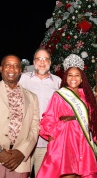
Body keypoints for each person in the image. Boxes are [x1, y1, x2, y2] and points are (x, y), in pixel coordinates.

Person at [36, 54, 97, 178]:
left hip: (84, 141)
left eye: (77, 75)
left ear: (82, 78)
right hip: (65, 140)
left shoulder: (87, 96)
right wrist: (53, 144)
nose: (73, 78)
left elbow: (94, 121)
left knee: (84, 173)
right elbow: (49, 119)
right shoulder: (59, 95)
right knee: (68, 174)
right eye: (70, 75)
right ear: (66, 78)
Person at [18, 48, 61, 177]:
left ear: (50, 62)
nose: (42, 62)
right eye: (39, 59)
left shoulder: (58, 82)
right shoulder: (23, 79)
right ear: (33, 61)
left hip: (46, 142)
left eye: (45, 59)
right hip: (24, 140)